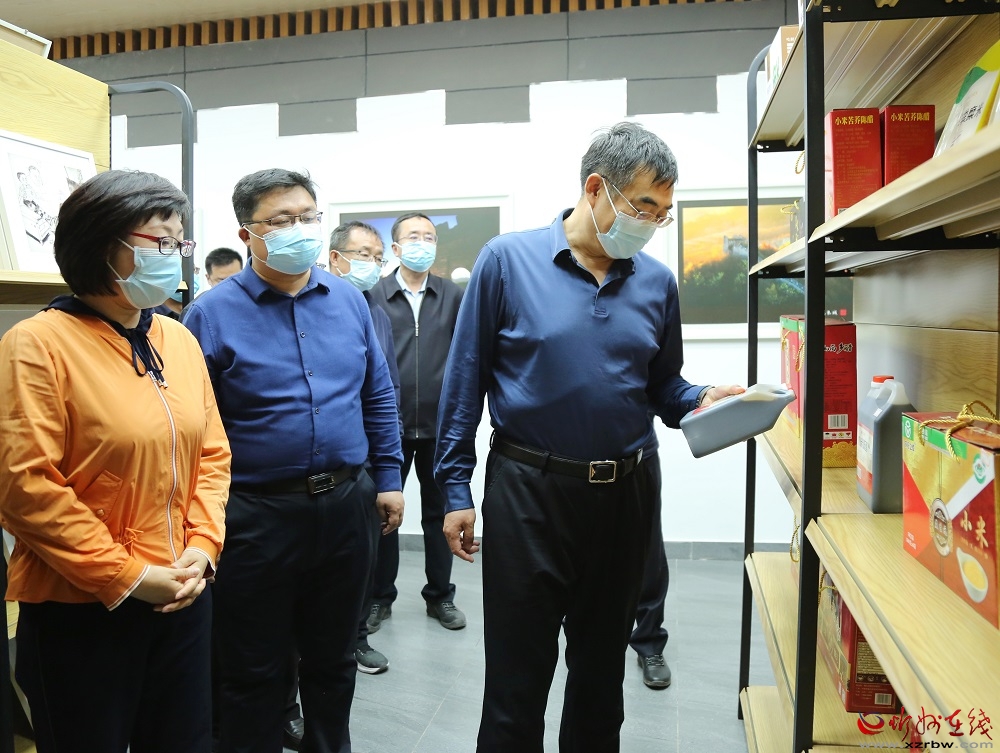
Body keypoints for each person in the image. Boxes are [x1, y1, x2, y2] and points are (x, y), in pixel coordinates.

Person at [434, 121, 743, 752]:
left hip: (625, 494)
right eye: (643, 207)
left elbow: (662, 385)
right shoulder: (507, 261)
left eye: (662, 213)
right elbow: (464, 382)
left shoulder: (655, 281)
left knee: (601, 679)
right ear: (596, 188)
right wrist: (454, 488)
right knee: (517, 680)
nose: (651, 223)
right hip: (529, 491)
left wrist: (700, 399)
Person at [0, 169, 231, 753]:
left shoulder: (177, 339)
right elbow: (25, 485)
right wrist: (127, 576)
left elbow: (211, 455)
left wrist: (203, 548)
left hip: (182, 592)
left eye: (179, 241)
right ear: (102, 245)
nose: (174, 256)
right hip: (83, 607)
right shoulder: (37, 343)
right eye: (160, 241)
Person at [183, 168, 404, 753]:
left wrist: (388, 478)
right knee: (252, 669)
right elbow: (192, 429)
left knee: (334, 661)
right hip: (255, 515)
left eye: (307, 217)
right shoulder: (209, 314)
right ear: (247, 233)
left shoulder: (349, 301)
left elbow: (378, 395)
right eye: (281, 220)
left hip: (346, 506)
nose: (299, 229)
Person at [368, 212, 465, 631]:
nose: (422, 243)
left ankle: (440, 596)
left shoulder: (453, 296)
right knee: (385, 513)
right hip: (388, 425)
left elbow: (466, 358)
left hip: (440, 427)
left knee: (440, 514)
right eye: (413, 236)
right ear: (395, 248)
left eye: (429, 236)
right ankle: (379, 598)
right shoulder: (373, 295)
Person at [329, 220, 401, 675]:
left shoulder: (375, 312)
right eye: (363, 255)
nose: (372, 265)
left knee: (358, 564)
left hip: (364, 464)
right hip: (307, 470)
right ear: (335, 258)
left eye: (378, 258)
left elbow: (385, 389)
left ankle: (356, 639)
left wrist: (387, 468)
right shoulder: (316, 306)